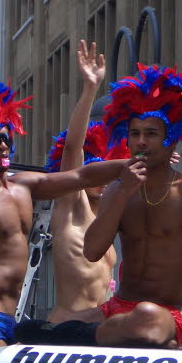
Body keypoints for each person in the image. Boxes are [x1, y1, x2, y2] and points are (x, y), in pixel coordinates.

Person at [16, 64, 182, 350]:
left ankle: (64, 333)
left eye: (151, 134)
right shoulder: (118, 190)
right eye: (134, 134)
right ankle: (69, 331)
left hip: (161, 315)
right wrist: (123, 193)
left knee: (145, 316)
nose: (141, 141)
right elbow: (92, 251)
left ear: (171, 142)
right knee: (68, 318)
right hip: (115, 309)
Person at [0, 77, 133, 363]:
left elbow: (81, 176)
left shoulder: (23, 187)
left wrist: (133, 164)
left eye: (6, 136)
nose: (3, 144)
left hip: (11, 319)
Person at [44, 40, 130, 323]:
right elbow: (72, 148)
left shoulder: (109, 217)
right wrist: (91, 88)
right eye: (96, 170)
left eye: (109, 172)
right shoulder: (70, 205)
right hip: (64, 332)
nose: (102, 180)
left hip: (97, 336)